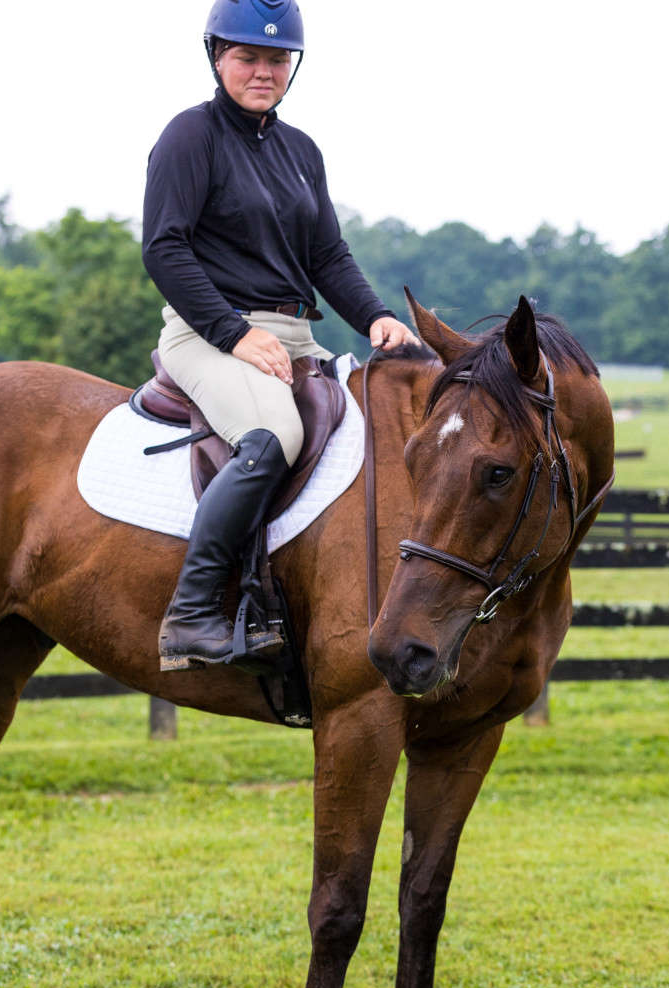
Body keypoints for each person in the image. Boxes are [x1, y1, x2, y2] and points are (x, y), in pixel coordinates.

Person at [142, 0, 417, 672]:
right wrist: (234, 334)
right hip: (208, 330)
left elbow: (327, 256)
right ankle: (194, 611)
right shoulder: (190, 136)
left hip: (292, 331)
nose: (263, 71)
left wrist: (375, 316)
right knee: (273, 440)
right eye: (247, 57)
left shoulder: (301, 151)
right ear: (217, 57)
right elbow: (164, 249)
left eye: (275, 59)